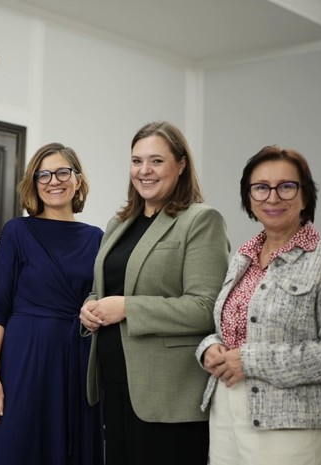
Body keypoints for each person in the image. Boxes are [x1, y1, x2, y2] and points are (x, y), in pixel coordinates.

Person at [195, 145, 321, 465]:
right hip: (226, 411)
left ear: (305, 195)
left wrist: (250, 361)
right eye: (261, 187)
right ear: (249, 197)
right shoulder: (242, 258)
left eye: (286, 186)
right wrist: (209, 348)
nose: (272, 198)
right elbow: (229, 330)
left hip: (294, 422)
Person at [80, 121, 230, 465]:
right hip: (115, 383)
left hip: (168, 394)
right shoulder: (119, 223)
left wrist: (128, 308)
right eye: (137, 161)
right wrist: (90, 307)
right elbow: (102, 289)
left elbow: (206, 307)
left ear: (181, 164)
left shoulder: (201, 220)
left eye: (156, 161)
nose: (144, 170)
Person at [0, 143, 104, 465]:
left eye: (62, 172)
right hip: (23, 358)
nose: (54, 181)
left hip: (78, 358)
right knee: (15, 447)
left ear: (77, 179)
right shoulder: (17, 231)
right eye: (44, 175)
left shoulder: (97, 238)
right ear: (34, 183)